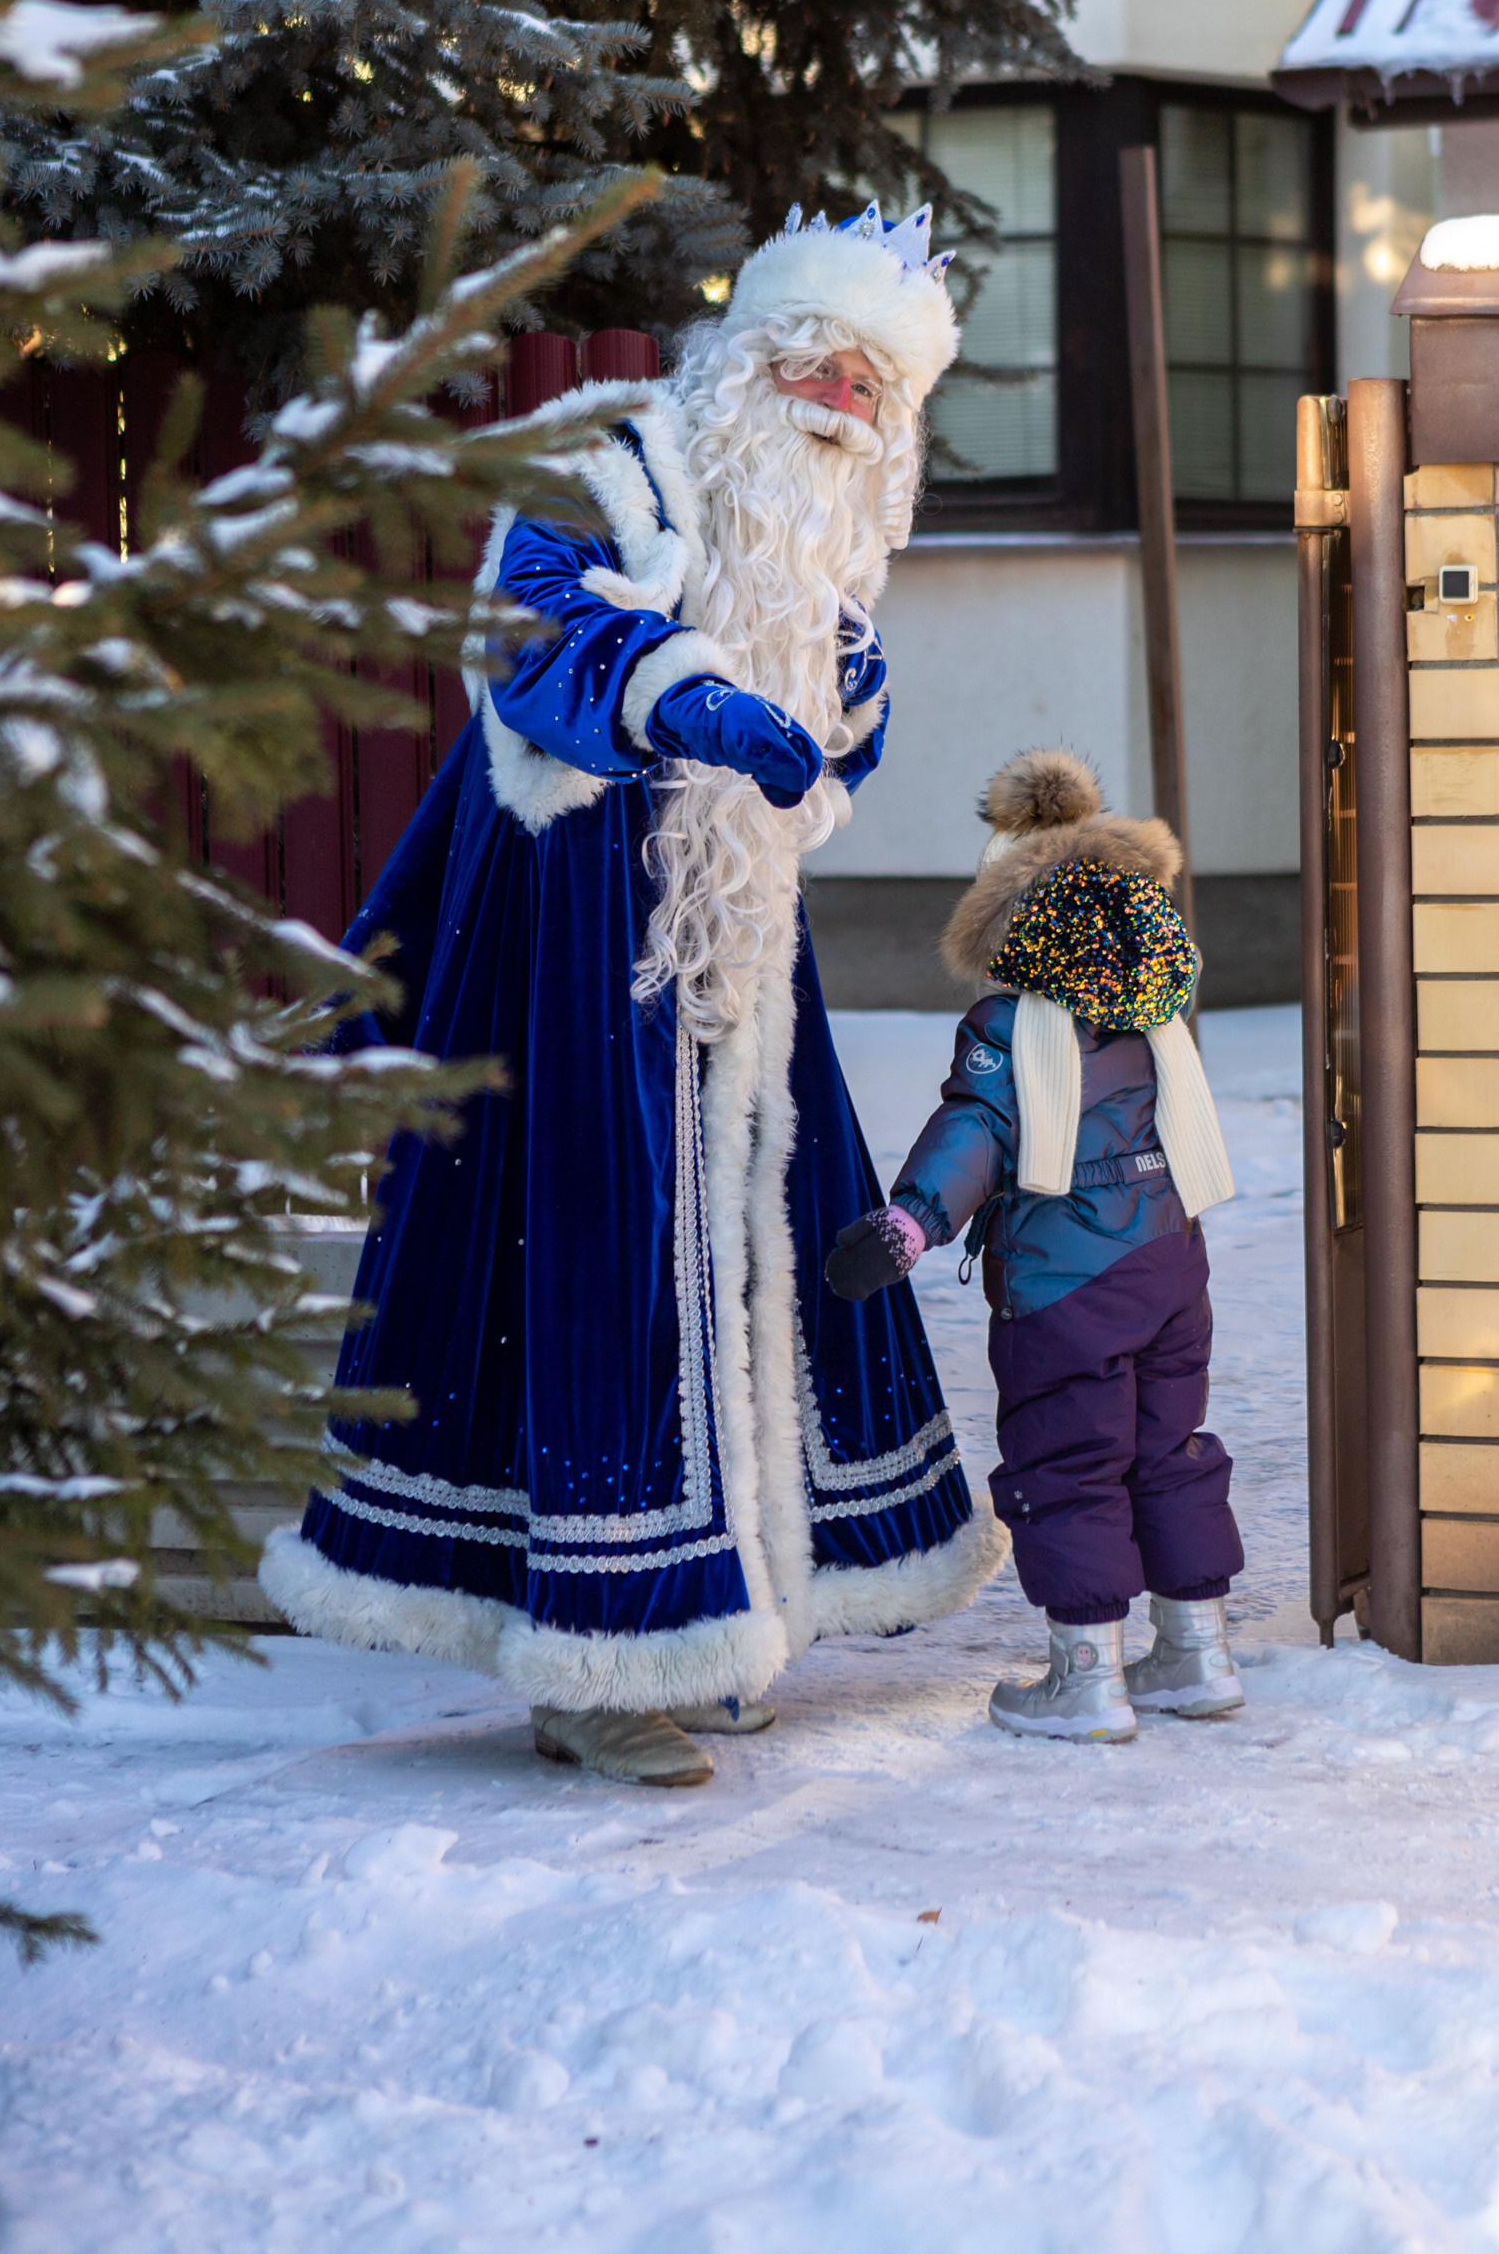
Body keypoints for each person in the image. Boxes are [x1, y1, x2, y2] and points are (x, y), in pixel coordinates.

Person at [261, 204, 1006, 1786]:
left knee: (745, 1269)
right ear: (747, 357)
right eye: (815, 363)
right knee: (598, 1262)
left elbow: (830, 723)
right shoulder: (616, 467)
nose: (840, 402)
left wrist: (836, 704)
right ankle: (597, 1663)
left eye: (874, 387)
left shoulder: (814, 542)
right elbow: (537, 631)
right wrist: (701, 700)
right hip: (579, 945)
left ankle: (712, 1609)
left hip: (734, 946)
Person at [823, 749, 1246, 1744]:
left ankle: (1085, 1677)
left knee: (1071, 1459)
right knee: (1167, 1449)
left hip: (1066, 1286)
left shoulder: (1010, 1029)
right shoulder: (1153, 1014)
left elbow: (975, 1129)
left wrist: (909, 1221)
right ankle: (1196, 1655)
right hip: (1170, 1263)